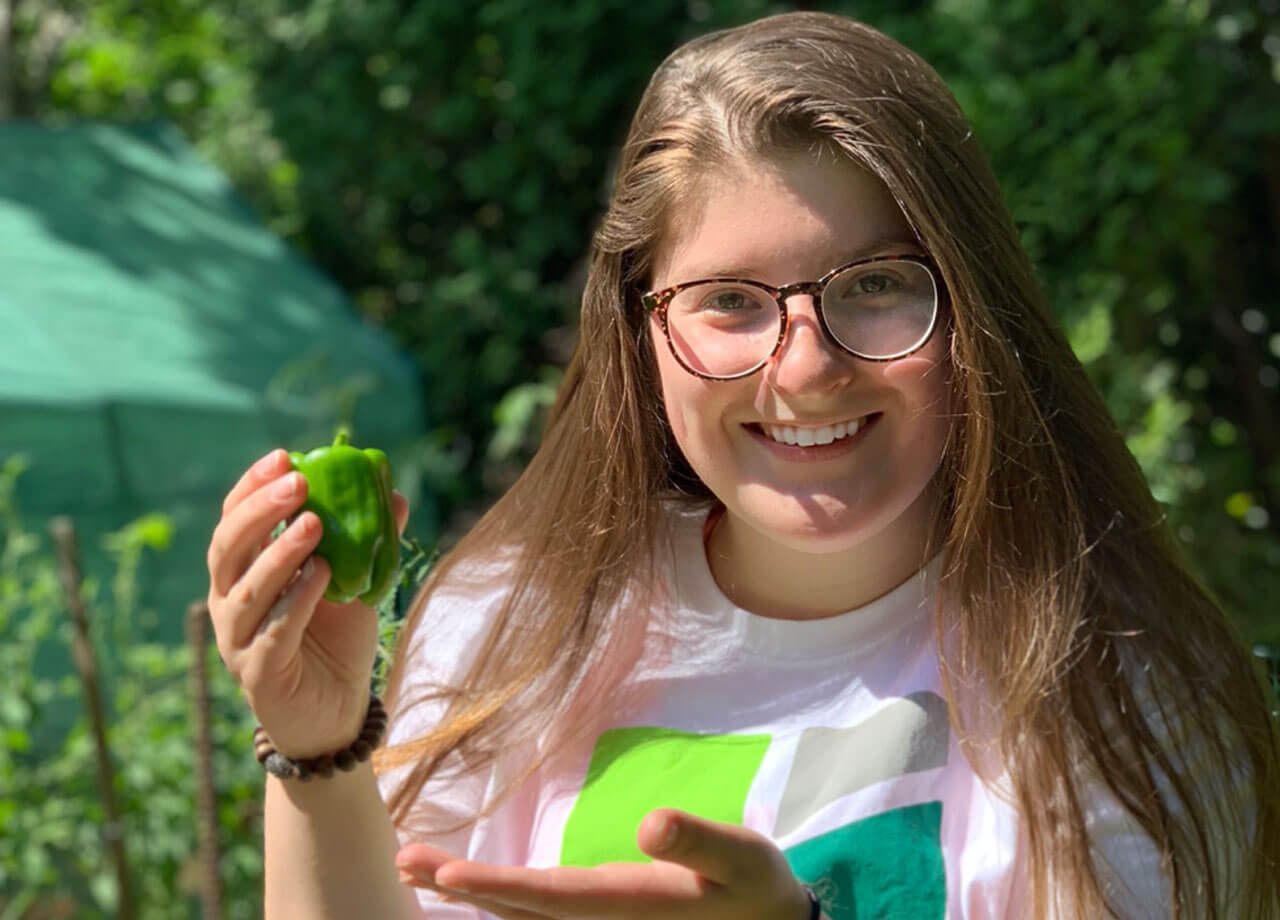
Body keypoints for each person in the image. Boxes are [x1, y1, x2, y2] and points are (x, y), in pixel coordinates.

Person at [206, 11, 1280, 920]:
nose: (804, 367)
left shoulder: (1119, 683)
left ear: (975, 312)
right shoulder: (503, 628)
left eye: (874, 284)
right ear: (638, 330)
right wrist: (322, 747)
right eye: (727, 300)